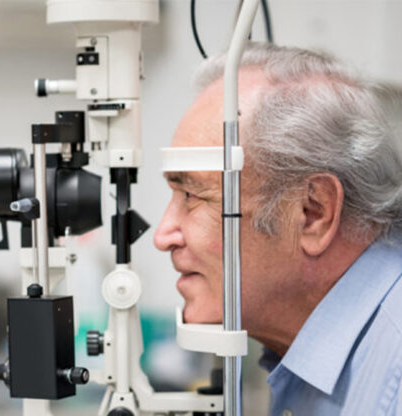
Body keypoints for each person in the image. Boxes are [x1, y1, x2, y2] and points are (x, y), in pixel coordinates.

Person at [153, 42, 402, 414]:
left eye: (193, 194)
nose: (162, 236)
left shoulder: (392, 377)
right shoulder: (305, 359)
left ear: (312, 212)